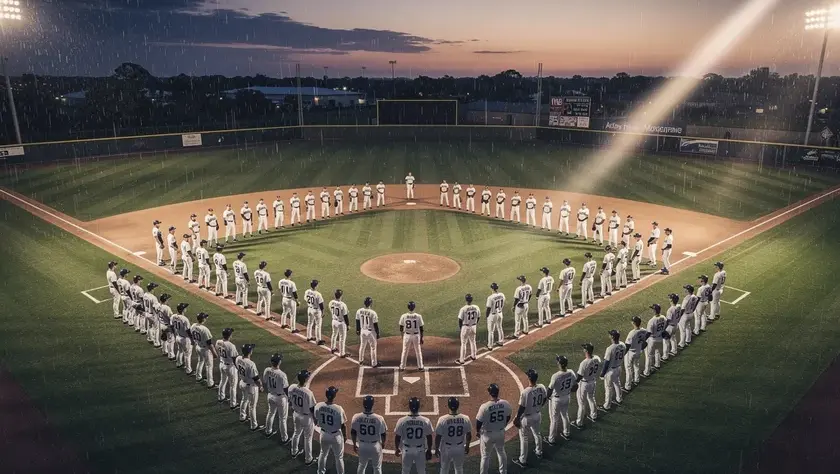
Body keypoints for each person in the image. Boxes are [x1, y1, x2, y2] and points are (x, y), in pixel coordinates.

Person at [512, 369, 546, 468]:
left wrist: (517, 418)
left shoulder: (526, 392)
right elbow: (544, 398)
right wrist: (539, 407)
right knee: (537, 433)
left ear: (529, 378)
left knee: (524, 438)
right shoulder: (542, 387)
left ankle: (522, 460)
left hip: (527, 418)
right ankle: (539, 451)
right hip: (537, 415)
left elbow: (522, 407)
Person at [476, 384, 511, 474]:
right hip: (500, 432)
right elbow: (508, 416)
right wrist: (503, 424)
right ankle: (503, 472)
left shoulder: (485, 406)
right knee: (501, 451)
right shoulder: (505, 403)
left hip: (488, 435)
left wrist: (477, 431)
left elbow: (479, 422)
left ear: (490, 393)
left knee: (485, 456)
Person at [394, 398, 434, 474]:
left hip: (407, 450)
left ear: (409, 406)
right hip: (420, 450)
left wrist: (397, 448)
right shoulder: (426, 420)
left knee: (405, 471)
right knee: (421, 471)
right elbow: (429, 437)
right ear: (419, 406)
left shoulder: (402, 420)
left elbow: (397, 437)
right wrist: (429, 450)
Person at [544, 355, 576, 445]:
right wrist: (568, 391)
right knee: (565, 415)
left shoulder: (556, 376)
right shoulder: (571, 372)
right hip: (566, 397)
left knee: (554, 419)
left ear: (560, 364)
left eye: (558, 361)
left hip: (557, 399)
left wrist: (547, 398)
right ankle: (567, 433)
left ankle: (551, 439)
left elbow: (550, 389)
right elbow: (575, 385)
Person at [435, 397, 472, 474]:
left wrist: (436, 448)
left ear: (448, 406)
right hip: (459, 447)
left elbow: (438, 436)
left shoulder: (442, 419)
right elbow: (469, 434)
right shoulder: (465, 418)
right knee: (459, 468)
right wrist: (467, 446)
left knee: (444, 468)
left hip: (446, 448)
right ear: (458, 405)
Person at [351, 396, 388, 473]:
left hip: (362, 445)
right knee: (377, 467)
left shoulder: (356, 417)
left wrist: (354, 444)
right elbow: (383, 434)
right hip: (375, 446)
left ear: (363, 404)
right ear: (372, 404)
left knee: (361, 465)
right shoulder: (379, 418)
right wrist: (383, 443)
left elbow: (353, 432)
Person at [315, 386, 347, 474]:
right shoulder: (338, 409)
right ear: (334, 396)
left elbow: (316, 419)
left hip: (324, 434)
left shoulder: (319, 405)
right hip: (336, 435)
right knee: (339, 457)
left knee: (323, 453)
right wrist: (344, 436)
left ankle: (320, 472)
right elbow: (343, 425)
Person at [289, 370, 317, 465]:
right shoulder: (308, 392)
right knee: (308, 438)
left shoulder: (292, 387)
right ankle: (308, 459)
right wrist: (315, 419)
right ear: (305, 379)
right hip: (306, 418)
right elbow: (312, 408)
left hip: (296, 414)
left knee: (296, 433)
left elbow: (290, 400)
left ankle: (294, 452)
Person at [571, 343, 600, 429]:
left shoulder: (584, 363)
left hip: (584, 384)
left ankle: (579, 422)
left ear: (586, 351)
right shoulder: (597, 358)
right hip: (593, 381)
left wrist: (574, 384)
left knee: (581, 403)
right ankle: (594, 415)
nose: (583, 350)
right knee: (591, 398)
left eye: (584, 349)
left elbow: (579, 376)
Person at [263, 352, 291, 443]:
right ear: (279, 362)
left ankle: (268, 431)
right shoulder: (282, 374)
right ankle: (284, 438)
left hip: (270, 395)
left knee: (270, 413)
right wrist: (290, 399)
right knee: (282, 418)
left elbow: (264, 381)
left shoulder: (267, 370)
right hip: (280, 398)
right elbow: (286, 388)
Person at [236, 343, 263, 431]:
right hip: (251, 386)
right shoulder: (251, 364)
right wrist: (261, 386)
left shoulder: (238, 358)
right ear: (250, 352)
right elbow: (256, 378)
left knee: (244, 399)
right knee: (252, 406)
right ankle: (254, 425)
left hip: (242, 383)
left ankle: (242, 417)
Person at [190, 312, 217, 388]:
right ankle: (210, 383)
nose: (206, 318)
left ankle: (198, 377)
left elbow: (191, 335)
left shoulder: (193, 326)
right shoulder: (205, 329)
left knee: (200, 361)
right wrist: (214, 353)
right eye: (205, 317)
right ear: (203, 319)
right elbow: (209, 343)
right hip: (205, 349)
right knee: (209, 366)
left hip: (198, 347)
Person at [600, 330, 626, 411]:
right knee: (617, 383)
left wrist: (602, 373)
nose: (609, 336)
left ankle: (607, 405)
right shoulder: (622, 344)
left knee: (608, 388)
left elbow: (606, 362)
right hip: (618, 367)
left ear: (612, 337)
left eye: (610, 335)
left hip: (610, 371)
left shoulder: (610, 348)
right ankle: (619, 398)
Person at [216, 327, 239, 408]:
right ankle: (233, 404)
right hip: (230, 367)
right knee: (233, 386)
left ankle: (221, 397)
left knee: (222, 381)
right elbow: (234, 359)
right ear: (230, 335)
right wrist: (238, 369)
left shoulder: (218, 342)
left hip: (222, 364)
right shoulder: (231, 346)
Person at [399, 301, 425, 371]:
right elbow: (421, 328)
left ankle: (402, 367)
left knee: (404, 351)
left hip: (407, 335)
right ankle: (420, 366)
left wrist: (402, 336)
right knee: (418, 351)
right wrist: (422, 338)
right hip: (416, 336)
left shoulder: (403, 316)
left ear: (408, 307)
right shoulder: (418, 316)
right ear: (414, 307)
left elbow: (401, 327)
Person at [623, 316, 647, 391]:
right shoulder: (643, 330)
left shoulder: (631, 333)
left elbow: (627, 346)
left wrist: (623, 355)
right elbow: (645, 340)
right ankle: (637, 379)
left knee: (628, 368)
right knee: (636, 365)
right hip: (638, 351)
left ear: (633, 323)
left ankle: (628, 385)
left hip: (631, 352)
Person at [357, 297, 381, 367]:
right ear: (371, 303)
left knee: (362, 345)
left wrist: (358, 330)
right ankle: (374, 363)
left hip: (362, 331)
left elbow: (357, 321)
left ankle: (360, 360)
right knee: (373, 347)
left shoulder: (359, 311)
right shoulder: (373, 313)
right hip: (371, 332)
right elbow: (375, 324)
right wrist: (378, 333)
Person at [456, 294, 480, 364]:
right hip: (473, 326)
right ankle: (474, 355)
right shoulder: (476, 307)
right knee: (473, 341)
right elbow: (478, 317)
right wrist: (475, 323)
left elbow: (460, 320)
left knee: (463, 343)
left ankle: (462, 360)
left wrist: (461, 328)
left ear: (466, 300)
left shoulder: (463, 309)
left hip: (465, 327)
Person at [643, 304, 666, 377]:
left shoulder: (652, 321)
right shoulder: (664, 318)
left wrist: (643, 341)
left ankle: (646, 372)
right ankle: (657, 364)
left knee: (649, 356)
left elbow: (649, 333)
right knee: (658, 352)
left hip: (652, 340)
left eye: (653, 309)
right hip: (660, 338)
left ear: (654, 310)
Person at [329, 289, 350, 357]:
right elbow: (345, 316)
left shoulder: (331, 302)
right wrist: (348, 325)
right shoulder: (343, 305)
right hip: (341, 323)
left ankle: (332, 348)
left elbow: (331, 309)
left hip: (334, 321)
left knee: (334, 334)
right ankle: (342, 353)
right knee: (342, 338)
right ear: (341, 296)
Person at [305, 280, 326, 345]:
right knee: (318, 325)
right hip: (316, 310)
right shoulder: (318, 294)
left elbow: (306, 299)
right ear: (316, 286)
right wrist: (322, 312)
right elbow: (321, 304)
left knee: (309, 323)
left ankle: (308, 337)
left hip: (309, 308)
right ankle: (318, 340)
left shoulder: (307, 291)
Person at [485, 283, 505, 349]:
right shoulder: (502, 295)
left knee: (491, 331)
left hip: (493, 315)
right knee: (500, 327)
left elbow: (488, 308)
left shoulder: (490, 297)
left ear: (492, 288)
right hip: (500, 313)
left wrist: (487, 316)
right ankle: (501, 341)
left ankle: (490, 346)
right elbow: (503, 304)